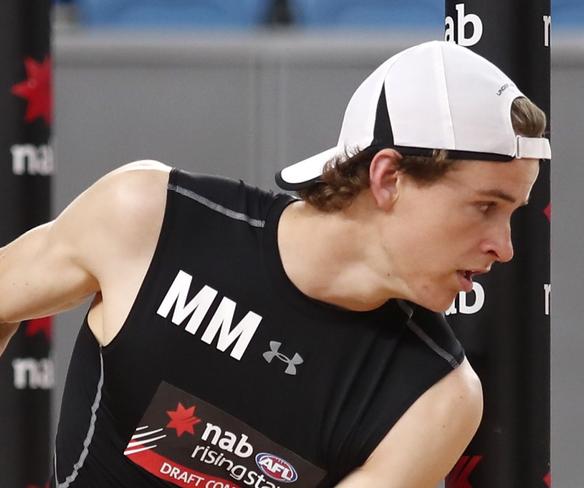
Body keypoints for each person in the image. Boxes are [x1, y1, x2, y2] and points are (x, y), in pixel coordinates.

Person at [0, 40, 550, 487]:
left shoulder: (437, 398)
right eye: (485, 207)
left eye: (512, 215)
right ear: (389, 178)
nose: (505, 247)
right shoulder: (147, 217)